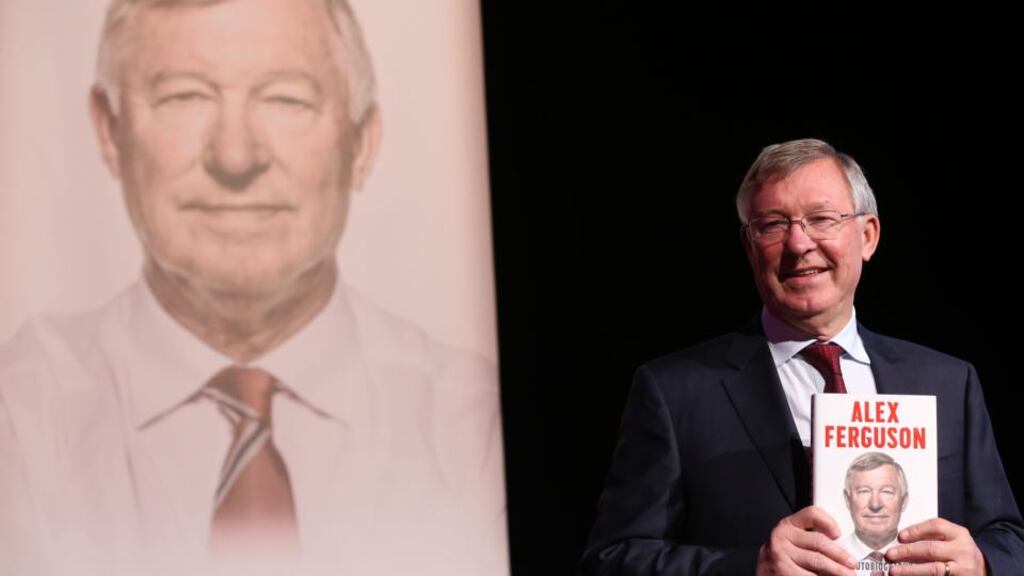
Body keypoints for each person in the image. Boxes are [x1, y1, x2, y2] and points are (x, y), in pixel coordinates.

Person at [0, 0, 506, 575]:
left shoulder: (479, 433)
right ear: (109, 131)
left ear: (362, 142)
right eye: (184, 97)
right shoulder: (17, 425)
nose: (235, 156)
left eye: (286, 99)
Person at [580, 138, 1024, 576]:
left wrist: (982, 564)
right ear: (749, 247)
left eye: (821, 219)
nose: (798, 244)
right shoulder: (675, 392)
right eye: (772, 225)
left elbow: (1008, 539)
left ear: (867, 236)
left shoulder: (947, 381)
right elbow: (612, 560)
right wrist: (751, 568)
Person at [838, 452, 909, 563]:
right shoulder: (828, 557)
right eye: (864, 491)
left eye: (887, 491)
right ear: (847, 500)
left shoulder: (926, 559)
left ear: (904, 501)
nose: (875, 504)